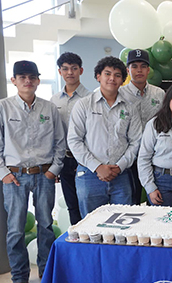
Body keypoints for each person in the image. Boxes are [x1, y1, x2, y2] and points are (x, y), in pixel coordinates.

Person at [0, 60, 65, 283]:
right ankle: (19, 278)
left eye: (32, 77)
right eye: (22, 77)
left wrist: (54, 169)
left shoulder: (49, 108)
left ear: (38, 80)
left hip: (44, 175)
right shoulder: (2, 107)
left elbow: (60, 143)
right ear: (14, 81)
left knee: (45, 225)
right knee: (14, 229)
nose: (28, 81)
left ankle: (45, 272)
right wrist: (4, 174)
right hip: (15, 177)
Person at [68, 56, 142, 217]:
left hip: (121, 175)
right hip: (89, 175)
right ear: (98, 76)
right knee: (91, 227)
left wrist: (120, 166)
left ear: (123, 80)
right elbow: (74, 140)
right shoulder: (83, 105)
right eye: (107, 73)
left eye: (117, 75)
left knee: (124, 226)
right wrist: (97, 167)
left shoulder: (130, 108)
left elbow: (136, 141)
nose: (112, 78)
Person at [119, 49, 165, 205]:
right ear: (127, 70)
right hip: (129, 158)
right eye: (134, 66)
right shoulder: (120, 95)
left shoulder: (159, 94)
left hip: (155, 157)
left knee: (157, 201)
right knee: (132, 202)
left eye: (143, 66)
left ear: (148, 70)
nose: (139, 70)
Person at [51, 52, 91, 225]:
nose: (70, 73)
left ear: (81, 70)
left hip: (85, 160)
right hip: (64, 159)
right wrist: (55, 164)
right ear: (60, 72)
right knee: (72, 207)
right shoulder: (53, 101)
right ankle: (78, 245)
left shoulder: (91, 98)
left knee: (88, 206)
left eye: (74, 68)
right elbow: (52, 134)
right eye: (65, 69)